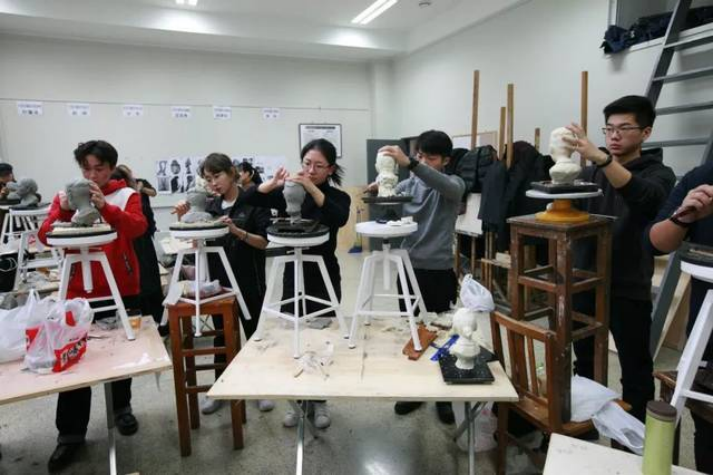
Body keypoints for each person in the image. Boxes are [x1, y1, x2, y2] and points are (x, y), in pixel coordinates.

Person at [564, 95, 676, 423]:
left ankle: (634, 441)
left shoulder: (659, 174)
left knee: (636, 369)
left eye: (624, 128)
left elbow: (645, 198)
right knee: (585, 363)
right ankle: (584, 429)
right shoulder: (591, 173)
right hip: (585, 281)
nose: (614, 135)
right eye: (609, 128)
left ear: (646, 132)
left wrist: (601, 159)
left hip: (628, 285)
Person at [38, 141, 147, 472]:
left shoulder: (126, 195)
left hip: (120, 287)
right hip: (77, 291)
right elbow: (44, 236)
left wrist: (106, 208)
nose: (92, 176)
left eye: (99, 169)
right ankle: (70, 434)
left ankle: (121, 408)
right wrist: (63, 211)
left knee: (121, 354)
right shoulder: (65, 196)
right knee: (73, 358)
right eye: (86, 169)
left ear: (111, 167)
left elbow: (138, 227)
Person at [242, 138, 350, 429]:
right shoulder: (289, 191)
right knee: (294, 340)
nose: (310, 170)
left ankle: (320, 400)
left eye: (318, 166)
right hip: (293, 273)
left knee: (321, 341)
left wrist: (311, 187)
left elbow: (339, 217)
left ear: (330, 169)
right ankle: (297, 402)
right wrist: (272, 184)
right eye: (306, 163)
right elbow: (248, 199)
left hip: (323, 273)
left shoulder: (338, 196)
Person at [367, 130, 465, 425]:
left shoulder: (453, 184)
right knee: (411, 330)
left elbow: (446, 186)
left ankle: (443, 396)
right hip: (409, 268)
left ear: (446, 160)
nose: (423, 162)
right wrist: (379, 191)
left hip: (439, 271)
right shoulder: (407, 185)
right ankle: (414, 390)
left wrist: (410, 162)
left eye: (430, 158)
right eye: (420, 156)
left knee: (442, 333)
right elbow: (385, 204)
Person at [173, 153, 273, 415]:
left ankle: (260, 388)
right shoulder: (209, 206)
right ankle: (221, 388)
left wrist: (237, 232)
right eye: (208, 179)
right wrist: (186, 219)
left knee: (254, 334)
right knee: (221, 335)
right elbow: (196, 244)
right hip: (218, 283)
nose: (213, 183)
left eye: (217, 176)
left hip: (249, 279)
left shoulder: (254, 202)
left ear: (232, 172)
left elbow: (264, 242)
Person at [647, 162, 713, 473]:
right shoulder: (702, 178)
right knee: (708, 430)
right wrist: (684, 215)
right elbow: (656, 242)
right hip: (707, 336)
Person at [111, 165, 164, 325]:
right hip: (130, 243)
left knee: (149, 282)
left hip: (142, 241)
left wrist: (140, 188)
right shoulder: (123, 196)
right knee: (141, 284)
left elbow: (153, 193)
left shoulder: (136, 189)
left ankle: (158, 322)